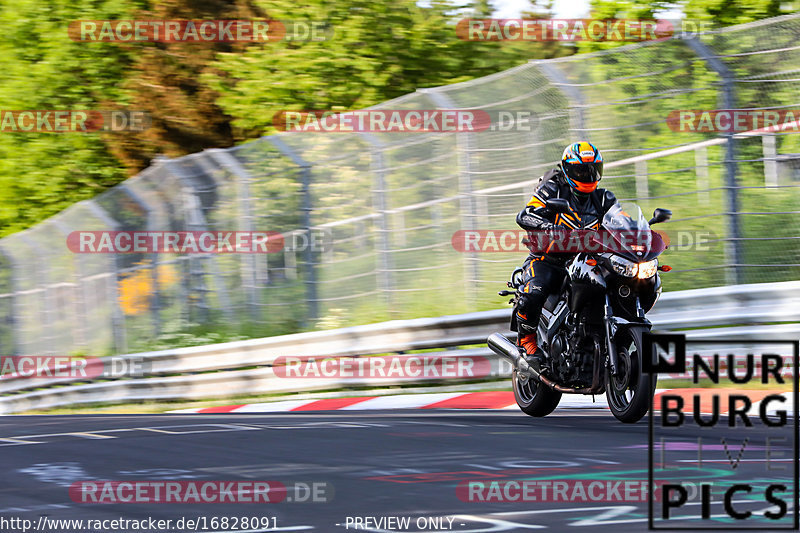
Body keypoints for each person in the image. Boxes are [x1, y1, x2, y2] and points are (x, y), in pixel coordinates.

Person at [514, 141, 620, 368]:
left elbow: (622, 221)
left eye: (593, 170)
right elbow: (525, 215)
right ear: (568, 170)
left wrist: (640, 235)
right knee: (533, 293)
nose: (588, 175)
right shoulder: (553, 189)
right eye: (582, 170)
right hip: (549, 259)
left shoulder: (603, 198)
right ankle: (527, 340)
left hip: (588, 261)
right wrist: (546, 226)